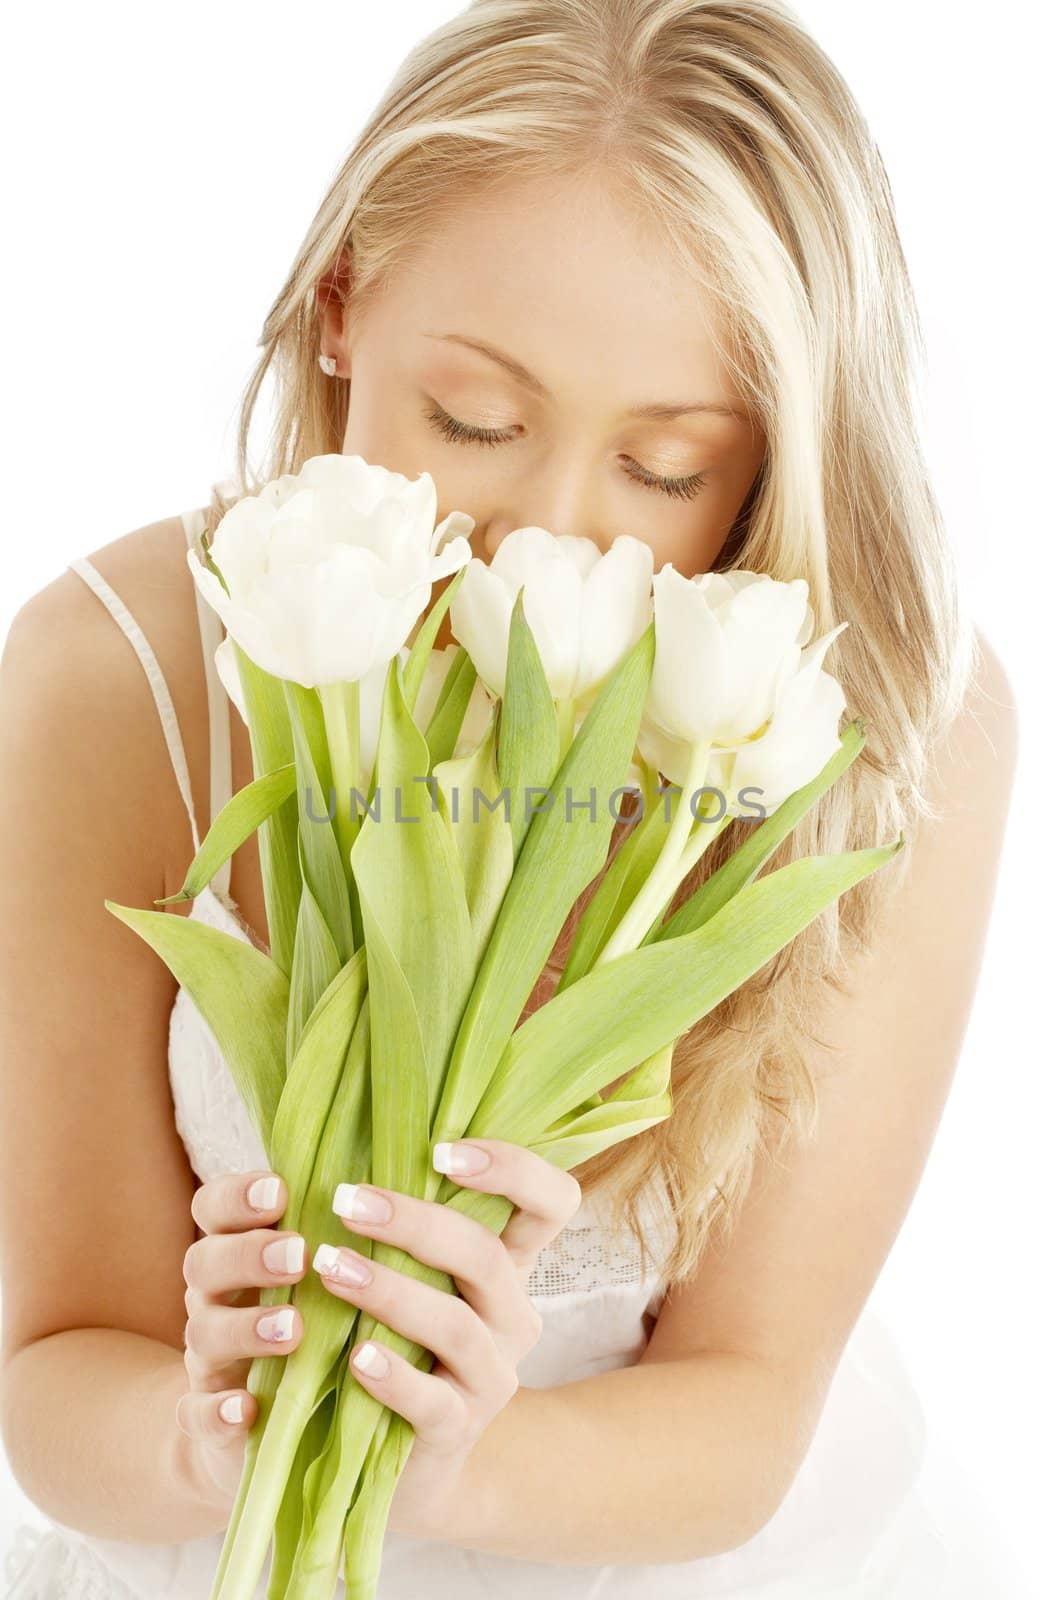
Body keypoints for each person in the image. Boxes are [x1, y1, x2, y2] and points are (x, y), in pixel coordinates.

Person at [0, 1, 1020, 1595]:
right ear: (339, 309)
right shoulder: (109, 675)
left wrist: (458, 1459)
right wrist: (205, 1437)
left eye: (667, 470)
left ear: (777, 462)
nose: (546, 539)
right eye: (474, 421)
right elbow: (59, 1366)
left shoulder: (891, 730)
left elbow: (750, 1404)